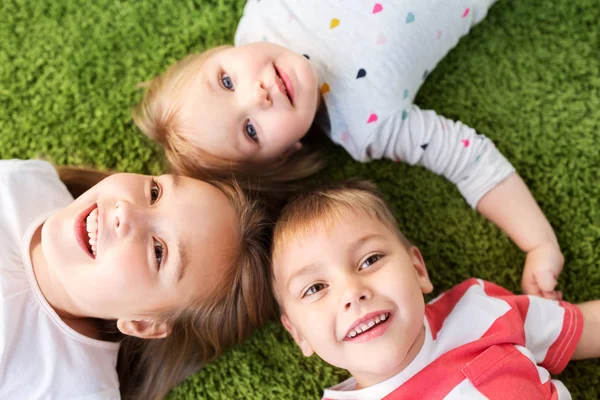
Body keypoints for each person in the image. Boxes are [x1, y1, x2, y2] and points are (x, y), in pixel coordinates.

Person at [134, 0, 564, 299]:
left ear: (223, 51)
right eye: (250, 129)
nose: (258, 94)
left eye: (227, 81)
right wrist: (538, 243)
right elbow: (468, 160)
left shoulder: (264, 13)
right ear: (285, 152)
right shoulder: (365, 126)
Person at [270, 181, 600, 399]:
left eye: (370, 260)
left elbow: (590, 327)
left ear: (417, 269)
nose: (352, 292)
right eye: (315, 288)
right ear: (298, 334)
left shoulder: (481, 311)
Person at [0, 159, 272, 400]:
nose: (126, 212)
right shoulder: (27, 181)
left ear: (143, 323)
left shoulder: (75, 390)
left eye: (158, 252)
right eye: (155, 193)